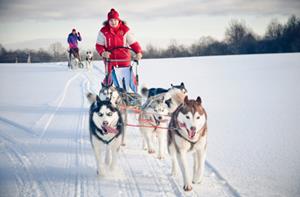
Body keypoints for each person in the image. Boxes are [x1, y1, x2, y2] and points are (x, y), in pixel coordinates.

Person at [95, 8, 142, 93]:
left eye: (115, 20)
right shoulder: (103, 31)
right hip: (110, 61)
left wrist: (138, 52)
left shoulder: (125, 30)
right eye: (111, 20)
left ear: (118, 19)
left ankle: (131, 97)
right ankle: (107, 95)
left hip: (124, 60)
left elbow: (133, 43)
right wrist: (103, 52)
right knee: (110, 80)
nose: (113, 22)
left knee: (127, 80)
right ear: (108, 21)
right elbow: (99, 45)